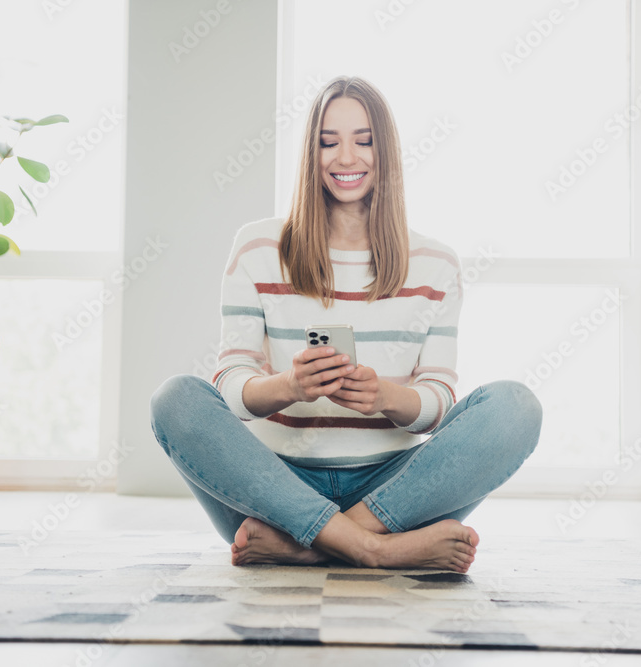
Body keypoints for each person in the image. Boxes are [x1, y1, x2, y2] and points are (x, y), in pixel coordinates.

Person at [150, 76, 542, 573]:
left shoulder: (435, 263)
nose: (346, 158)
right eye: (328, 142)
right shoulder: (257, 249)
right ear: (311, 155)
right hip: (277, 488)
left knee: (515, 408)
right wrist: (288, 387)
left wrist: (386, 398)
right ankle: (375, 550)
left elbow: (439, 400)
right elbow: (229, 386)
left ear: (386, 152)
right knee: (175, 399)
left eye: (363, 141)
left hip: (393, 491)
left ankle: (313, 545)